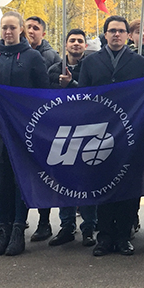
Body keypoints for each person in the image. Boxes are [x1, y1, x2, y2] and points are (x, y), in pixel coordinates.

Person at [78, 15, 144, 257]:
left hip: (129, 133)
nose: (117, 34)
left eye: (121, 31)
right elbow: (83, 97)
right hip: (100, 133)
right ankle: (105, 236)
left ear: (128, 35)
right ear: (105, 34)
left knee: (129, 186)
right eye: (112, 31)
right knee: (103, 185)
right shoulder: (90, 62)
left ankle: (123, 236)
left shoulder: (139, 62)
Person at [0, 11, 50, 257]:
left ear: (21, 29)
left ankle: (19, 229)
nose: (8, 32)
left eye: (12, 27)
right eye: (4, 28)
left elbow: (43, 94)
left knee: (21, 179)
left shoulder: (32, 58)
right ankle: (2, 229)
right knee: (0, 180)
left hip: (23, 129)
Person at [47, 28, 97, 248]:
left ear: (85, 45)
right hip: (61, 131)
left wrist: (71, 85)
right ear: (65, 44)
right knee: (63, 181)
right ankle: (66, 226)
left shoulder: (93, 67)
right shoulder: (53, 70)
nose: (76, 43)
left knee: (87, 181)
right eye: (72, 40)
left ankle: (89, 227)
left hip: (87, 131)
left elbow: (93, 97)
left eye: (80, 40)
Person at [24, 15, 61, 243]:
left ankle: (44, 221)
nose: (31, 31)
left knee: (43, 173)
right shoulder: (14, 54)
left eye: (35, 28)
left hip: (43, 124)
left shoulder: (51, 57)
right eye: (27, 27)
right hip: (21, 121)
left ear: (43, 33)